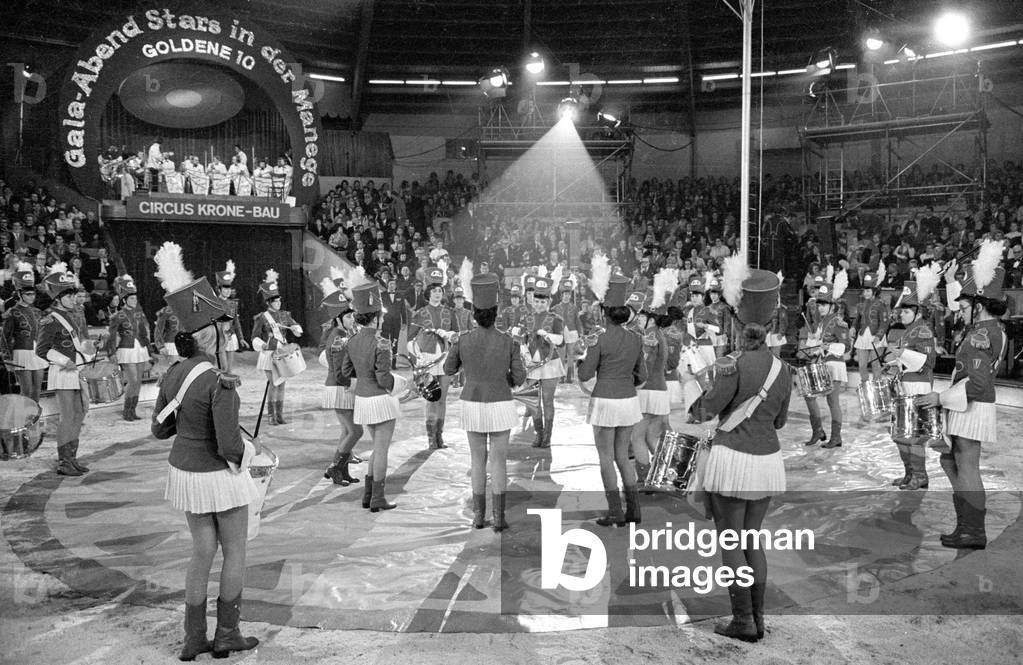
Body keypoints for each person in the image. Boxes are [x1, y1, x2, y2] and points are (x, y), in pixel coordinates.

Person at [150, 252, 259, 661]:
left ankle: (193, 639)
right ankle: (227, 634)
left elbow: (160, 429)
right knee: (236, 551)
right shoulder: (220, 381)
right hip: (216, 473)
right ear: (209, 335)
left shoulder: (173, 373)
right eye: (223, 329)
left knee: (201, 552)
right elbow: (230, 445)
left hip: (184, 470)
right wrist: (249, 455)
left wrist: (190, 424)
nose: (227, 335)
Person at [690, 268, 790, 643]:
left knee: (730, 541)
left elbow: (703, 412)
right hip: (766, 460)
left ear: (735, 319)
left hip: (733, 457)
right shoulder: (784, 369)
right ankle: (758, 618)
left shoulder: (730, 363)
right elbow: (779, 421)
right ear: (772, 322)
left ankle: (743, 620)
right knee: (753, 538)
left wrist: (699, 385)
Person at [915, 248, 1007, 549]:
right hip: (969, 405)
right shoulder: (990, 328)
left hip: (971, 406)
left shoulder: (981, 335)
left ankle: (973, 531)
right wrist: (954, 280)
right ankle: (966, 526)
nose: (961, 310)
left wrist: (939, 397)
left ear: (978, 306)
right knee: (949, 459)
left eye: (966, 305)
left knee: (967, 467)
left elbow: (978, 383)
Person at [444, 272, 526, 530]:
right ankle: (499, 519)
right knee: (499, 461)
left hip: (472, 402)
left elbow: (448, 369)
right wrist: (509, 378)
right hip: (500, 401)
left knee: (477, 460)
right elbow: (520, 377)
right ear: (496, 311)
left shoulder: (463, 339)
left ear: (474, 312)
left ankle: (479, 517)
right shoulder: (508, 341)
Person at [578, 274, 647, 526]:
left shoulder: (598, 338)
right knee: (622, 455)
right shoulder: (636, 338)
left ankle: (616, 511)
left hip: (605, 401)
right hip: (628, 400)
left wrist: (580, 361)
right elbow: (643, 376)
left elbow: (586, 374)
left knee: (605, 458)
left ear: (605, 312)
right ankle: (634, 510)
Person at [342, 282, 401, 512]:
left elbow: (346, 372)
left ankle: (368, 496)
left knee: (377, 447)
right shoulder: (382, 342)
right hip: (380, 399)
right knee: (382, 450)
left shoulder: (352, 341)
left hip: (363, 400)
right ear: (375, 318)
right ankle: (377, 498)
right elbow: (385, 379)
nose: (383, 319)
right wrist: (400, 384)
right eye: (381, 316)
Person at [37, 265, 93, 476]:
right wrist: (62, 361)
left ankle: (72, 457)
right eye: (68, 296)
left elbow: (75, 345)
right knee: (67, 416)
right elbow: (41, 350)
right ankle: (63, 462)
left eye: (72, 295)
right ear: (58, 298)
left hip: (75, 370)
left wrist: (88, 353)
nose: (73, 299)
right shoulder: (50, 319)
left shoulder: (70, 316)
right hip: (62, 373)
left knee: (79, 413)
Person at [888, 275, 938, 491]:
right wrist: (893, 362)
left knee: (915, 435)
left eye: (907, 311)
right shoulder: (909, 330)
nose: (902, 314)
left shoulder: (923, 329)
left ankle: (920, 476)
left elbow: (928, 362)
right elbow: (907, 358)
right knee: (902, 434)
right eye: (902, 311)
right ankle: (909, 474)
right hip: (906, 383)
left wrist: (901, 354)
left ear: (918, 312)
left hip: (919, 384)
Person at [408, 267, 460, 449]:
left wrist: (449, 334)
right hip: (427, 359)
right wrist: (417, 361)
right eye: (434, 291)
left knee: (443, 398)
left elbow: (457, 335)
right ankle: (431, 439)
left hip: (445, 358)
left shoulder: (449, 312)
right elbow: (410, 339)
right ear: (428, 293)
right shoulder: (420, 313)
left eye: (440, 290)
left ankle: (440, 436)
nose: (438, 294)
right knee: (431, 398)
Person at [318, 277, 362, 486]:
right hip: (339, 387)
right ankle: (335, 467)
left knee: (347, 431)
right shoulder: (338, 337)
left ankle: (341, 471)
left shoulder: (342, 333)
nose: (353, 319)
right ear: (338, 319)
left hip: (340, 387)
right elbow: (338, 371)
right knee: (356, 431)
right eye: (349, 316)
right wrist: (351, 385)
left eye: (353, 315)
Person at [250, 269, 303, 425]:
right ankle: (271, 415)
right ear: (268, 302)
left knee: (282, 384)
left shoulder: (285, 315)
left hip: (282, 354)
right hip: (269, 355)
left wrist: (295, 329)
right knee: (274, 384)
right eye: (275, 301)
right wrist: (263, 344)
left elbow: (297, 328)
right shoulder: (261, 317)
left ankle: (280, 415)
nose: (279, 302)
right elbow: (254, 337)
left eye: (279, 300)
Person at [518, 276, 565, 448]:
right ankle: (538, 433)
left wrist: (545, 334)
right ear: (532, 300)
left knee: (547, 400)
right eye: (536, 301)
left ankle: (547, 436)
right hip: (531, 365)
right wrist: (524, 352)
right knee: (533, 401)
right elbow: (520, 340)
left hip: (550, 364)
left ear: (549, 301)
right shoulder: (526, 318)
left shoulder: (556, 319)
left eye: (542, 302)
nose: (538, 304)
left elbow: (561, 340)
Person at [632, 301, 676, 483]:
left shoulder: (650, 334)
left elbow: (645, 364)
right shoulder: (659, 333)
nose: (638, 320)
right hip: (659, 389)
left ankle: (644, 479)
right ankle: (665, 473)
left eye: (642, 316)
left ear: (651, 318)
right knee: (652, 436)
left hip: (648, 390)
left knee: (636, 438)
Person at [802, 281, 850, 448]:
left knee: (832, 400)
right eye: (819, 304)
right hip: (823, 363)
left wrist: (827, 347)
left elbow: (846, 347)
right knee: (809, 396)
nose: (820, 307)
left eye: (824, 304)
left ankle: (835, 437)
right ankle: (818, 431)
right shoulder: (822, 323)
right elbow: (819, 346)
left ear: (832, 305)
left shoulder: (838, 322)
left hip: (834, 365)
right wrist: (813, 346)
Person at [105, 275, 152, 421]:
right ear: (124, 300)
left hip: (140, 348)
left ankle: (133, 410)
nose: (135, 301)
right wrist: (111, 352)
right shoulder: (117, 316)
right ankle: (126, 410)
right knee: (132, 379)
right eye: (131, 299)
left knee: (138, 381)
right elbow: (111, 336)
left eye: (135, 298)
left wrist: (150, 350)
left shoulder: (139, 314)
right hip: (126, 349)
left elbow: (144, 333)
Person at [3, 262, 48, 401]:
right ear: (19, 294)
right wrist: (7, 358)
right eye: (28, 294)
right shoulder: (13, 312)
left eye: (33, 294)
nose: (32, 297)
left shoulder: (38, 312)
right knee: (26, 390)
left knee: (37, 390)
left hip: (37, 353)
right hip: (21, 352)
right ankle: (24, 419)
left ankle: (34, 419)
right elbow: (5, 337)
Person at [853, 267, 890, 384]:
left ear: (874, 291)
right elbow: (857, 320)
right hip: (863, 336)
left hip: (876, 336)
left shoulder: (881, 304)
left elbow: (885, 322)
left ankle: (877, 386)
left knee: (875, 363)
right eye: (864, 291)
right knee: (862, 365)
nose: (865, 293)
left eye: (868, 291)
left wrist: (879, 336)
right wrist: (853, 327)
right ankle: (864, 385)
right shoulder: (860, 305)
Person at [215, 262, 249, 372]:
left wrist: (241, 338)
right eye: (225, 289)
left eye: (229, 289)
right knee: (222, 368)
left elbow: (236, 322)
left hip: (231, 337)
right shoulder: (214, 303)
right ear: (219, 289)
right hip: (219, 338)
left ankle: (228, 389)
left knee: (229, 369)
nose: (228, 291)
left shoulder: (233, 304)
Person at [552, 280, 582, 383]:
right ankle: (561, 376)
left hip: (572, 332)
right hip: (560, 332)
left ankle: (569, 376)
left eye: (568, 294)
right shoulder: (555, 308)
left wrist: (580, 332)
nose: (566, 296)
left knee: (570, 355)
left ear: (570, 296)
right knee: (561, 354)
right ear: (561, 296)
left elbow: (577, 321)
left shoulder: (574, 307)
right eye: (564, 294)